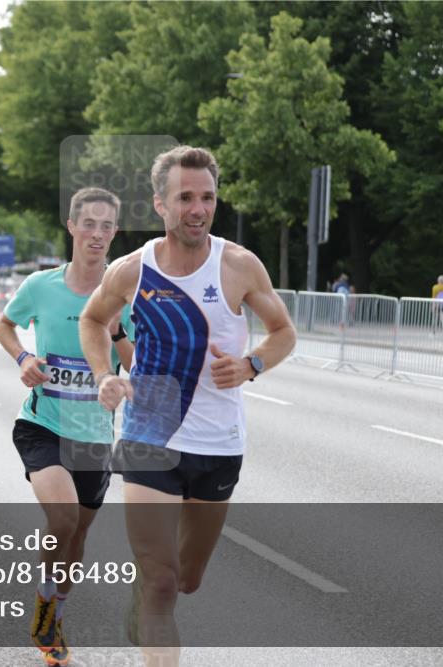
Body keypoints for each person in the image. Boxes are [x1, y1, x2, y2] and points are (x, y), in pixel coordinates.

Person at [79, 146, 296, 667]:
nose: (198, 209)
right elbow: (92, 321)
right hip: (148, 437)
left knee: (188, 579)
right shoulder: (133, 271)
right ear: (160, 204)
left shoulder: (240, 266)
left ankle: (152, 595)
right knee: (161, 579)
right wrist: (105, 375)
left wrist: (252, 365)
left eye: (207, 197)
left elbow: (284, 333)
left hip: (217, 445)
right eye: (185, 198)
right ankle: (150, 598)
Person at [0, 187, 135, 667]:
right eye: (88, 224)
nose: (97, 234)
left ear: (115, 233)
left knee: (76, 541)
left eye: (106, 226)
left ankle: (52, 612)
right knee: (63, 520)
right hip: (42, 423)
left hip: (94, 434)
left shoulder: (128, 295)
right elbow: (3, 325)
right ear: (71, 227)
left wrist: (114, 329)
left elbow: (136, 364)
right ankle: (44, 610)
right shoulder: (41, 286)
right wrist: (24, 357)